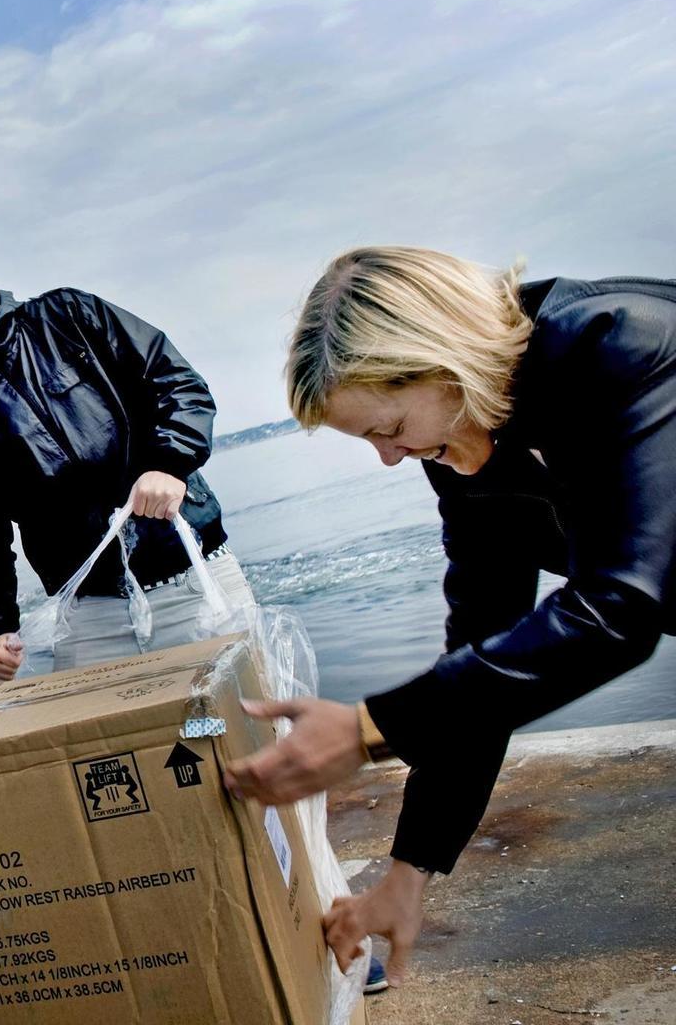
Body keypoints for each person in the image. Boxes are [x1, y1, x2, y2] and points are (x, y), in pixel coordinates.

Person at [225, 248, 674, 988]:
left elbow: (618, 608)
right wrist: (409, 871)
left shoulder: (621, 344)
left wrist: (371, 727)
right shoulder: (463, 448)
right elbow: (482, 657)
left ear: (441, 359)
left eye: (388, 427)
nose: (390, 460)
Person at [0, 227, 254, 678]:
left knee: (243, 731)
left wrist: (168, 466)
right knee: (103, 748)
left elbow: (179, 385)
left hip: (189, 579)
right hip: (88, 614)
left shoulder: (69, 315)